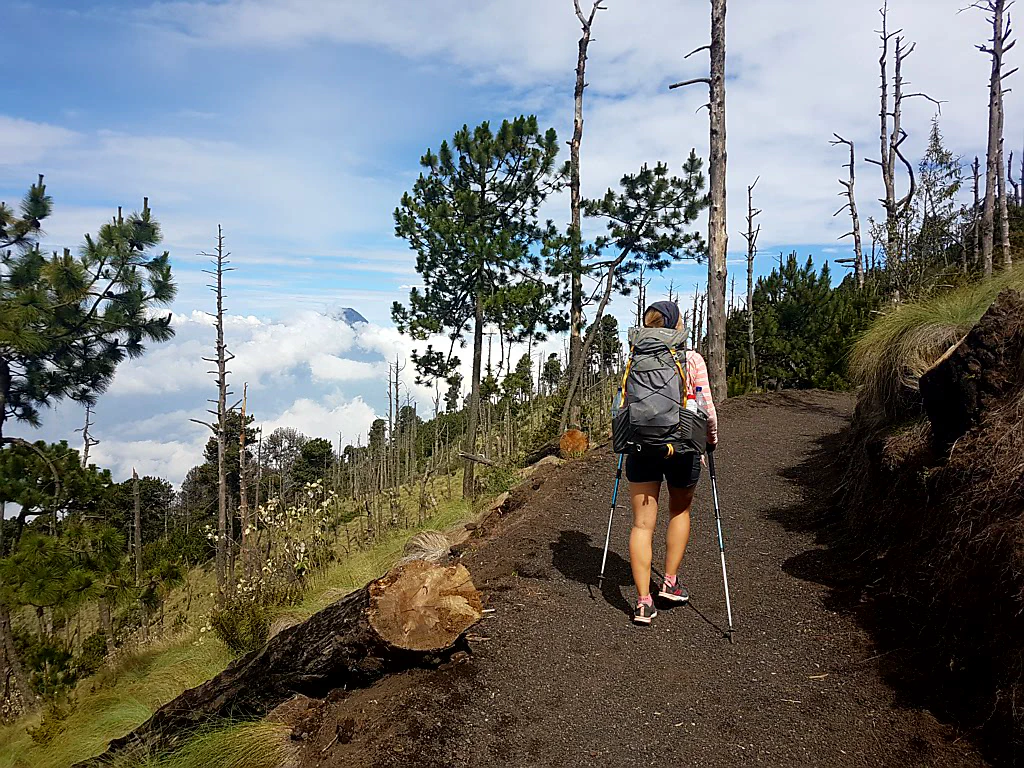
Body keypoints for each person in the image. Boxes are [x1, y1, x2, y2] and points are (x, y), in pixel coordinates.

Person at [628, 300, 718, 625]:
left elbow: (622, 403)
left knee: (641, 524)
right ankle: (669, 582)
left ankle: (642, 603)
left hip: (640, 446)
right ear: (676, 324)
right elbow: (706, 406)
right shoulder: (690, 358)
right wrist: (710, 442)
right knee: (679, 511)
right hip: (681, 446)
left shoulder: (635, 358)